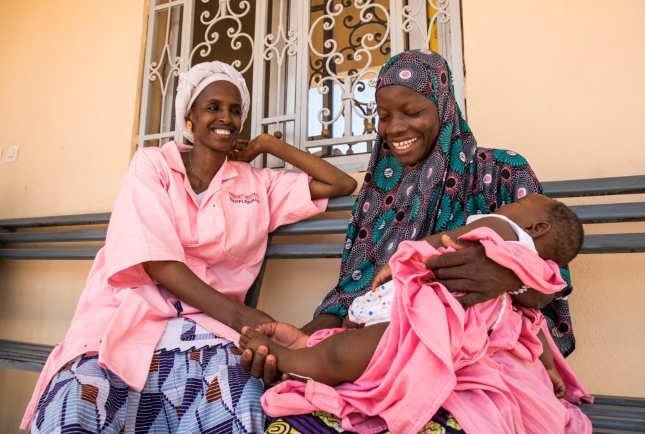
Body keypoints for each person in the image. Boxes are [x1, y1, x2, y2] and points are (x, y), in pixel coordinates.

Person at [239, 50, 586, 433]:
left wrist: (508, 278)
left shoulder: (503, 172)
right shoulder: (381, 190)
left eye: (412, 112)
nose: (395, 128)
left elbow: (551, 286)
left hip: (479, 361)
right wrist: (306, 343)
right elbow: (353, 291)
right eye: (384, 116)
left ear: (443, 104)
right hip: (386, 351)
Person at [20, 61, 357, 433]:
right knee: (76, 401)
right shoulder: (153, 165)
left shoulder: (257, 183)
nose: (225, 117)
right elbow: (158, 263)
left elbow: (341, 184)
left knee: (240, 400)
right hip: (130, 313)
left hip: (209, 328)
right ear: (190, 116)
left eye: (234, 110)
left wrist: (267, 144)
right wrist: (243, 317)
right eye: (213, 107)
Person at [239, 194, 582, 397]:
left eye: (518, 202)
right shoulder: (534, 277)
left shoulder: (503, 228)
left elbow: (442, 241)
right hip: (441, 335)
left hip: (422, 320)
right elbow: (533, 328)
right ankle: (297, 352)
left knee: (344, 353)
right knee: (345, 353)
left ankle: (283, 358)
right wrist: (549, 370)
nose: (508, 203)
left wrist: (402, 258)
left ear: (537, 229)